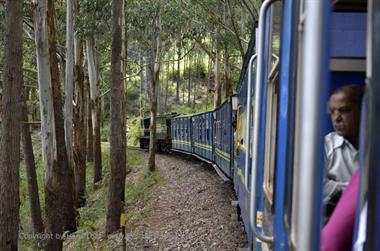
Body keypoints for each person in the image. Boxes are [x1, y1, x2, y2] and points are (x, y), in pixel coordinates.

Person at [324, 85, 364, 216]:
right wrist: (357, 189)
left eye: (344, 110)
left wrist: (336, 187)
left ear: (362, 110)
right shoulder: (327, 145)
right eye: (332, 112)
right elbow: (318, 187)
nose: (336, 118)